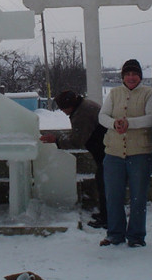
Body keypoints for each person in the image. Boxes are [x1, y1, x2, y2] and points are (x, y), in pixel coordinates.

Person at [98, 59, 152, 247]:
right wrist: (114, 123)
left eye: (134, 74)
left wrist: (129, 123)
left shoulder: (149, 93)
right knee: (113, 195)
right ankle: (115, 233)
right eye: (127, 74)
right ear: (123, 76)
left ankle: (136, 236)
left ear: (140, 76)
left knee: (138, 196)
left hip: (139, 153)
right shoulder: (115, 93)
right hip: (114, 153)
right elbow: (102, 116)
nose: (131, 77)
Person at [41, 90, 107, 229]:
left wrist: (56, 139)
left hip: (106, 152)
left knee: (104, 182)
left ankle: (107, 218)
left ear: (69, 106)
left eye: (64, 109)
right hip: (105, 150)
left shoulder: (82, 113)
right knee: (103, 181)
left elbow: (77, 140)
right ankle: (105, 214)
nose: (64, 113)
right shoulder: (84, 105)